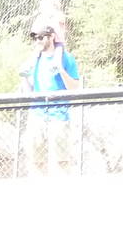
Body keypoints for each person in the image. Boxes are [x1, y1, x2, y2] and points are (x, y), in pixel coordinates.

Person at [23, 22, 79, 175]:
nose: (37, 41)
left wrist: (61, 70)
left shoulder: (66, 58)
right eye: (35, 38)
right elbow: (28, 90)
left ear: (52, 37)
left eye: (41, 37)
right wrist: (25, 78)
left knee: (61, 161)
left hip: (59, 115)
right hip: (37, 115)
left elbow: (74, 87)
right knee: (36, 161)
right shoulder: (34, 59)